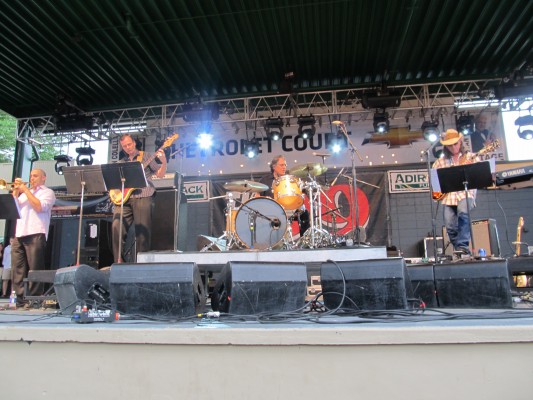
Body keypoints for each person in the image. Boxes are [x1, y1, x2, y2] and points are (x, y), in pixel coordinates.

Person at [112, 134, 167, 263]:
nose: (127, 148)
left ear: (134, 143)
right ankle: (119, 262)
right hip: (124, 199)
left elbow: (160, 174)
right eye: (124, 146)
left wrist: (163, 161)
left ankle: (141, 264)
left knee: (142, 231)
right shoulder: (121, 162)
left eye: (129, 144)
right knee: (116, 226)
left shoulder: (146, 156)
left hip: (143, 194)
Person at [11, 169, 56, 308]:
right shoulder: (24, 194)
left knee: (35, 268)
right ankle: (20, 299)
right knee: (17, 268)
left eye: (35, 176)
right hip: (19, 233)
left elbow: (39, 206)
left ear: (44, 177)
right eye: (30, 176)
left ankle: (35, 299)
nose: (32, 178)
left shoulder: (47, 192)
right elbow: (13, 209)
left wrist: (25, 190)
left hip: (36, 232)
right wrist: (16, 192)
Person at [432, 129, 479, 256]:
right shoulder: (440, 162)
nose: (453, 147)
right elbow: (434, 181)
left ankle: (463, 247)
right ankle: (460, 250)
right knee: (450, 226)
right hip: (449, 197)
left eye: (455, 144)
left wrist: (470, 169)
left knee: (463, 213)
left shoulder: (471, 157)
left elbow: (480, 174)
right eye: (450, 145)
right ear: (446, 146)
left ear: (460, 142)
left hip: (465, 193)